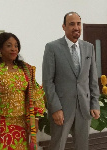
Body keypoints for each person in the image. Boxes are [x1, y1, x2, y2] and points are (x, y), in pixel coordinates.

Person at [0, 32, 45, 150]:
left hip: (23, 123)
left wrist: (36, 119)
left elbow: (36, 94)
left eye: (16, 46)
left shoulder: (25, 69)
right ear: (0, 49)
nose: (14, 49)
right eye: (9, 46)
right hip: (1, 124)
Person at [42, 12, 100, 150]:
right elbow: (48, 81)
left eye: (78, 23)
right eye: (72, 24)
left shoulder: (89, 47)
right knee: (58, 145)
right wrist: (55, 108)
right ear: (64, 27)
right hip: (62, 109)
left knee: (82, 146)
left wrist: (95, 103)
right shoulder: (52, 48)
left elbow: (92, 79)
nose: (76, 27)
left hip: (84, 108)